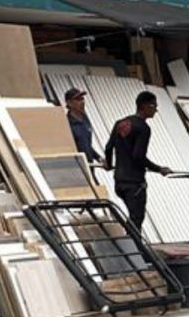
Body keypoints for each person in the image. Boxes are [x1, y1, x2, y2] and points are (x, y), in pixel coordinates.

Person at [104, 91, 172, 233]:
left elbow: (108, 147)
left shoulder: (120, 123)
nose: (156, 109)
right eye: (154, 105)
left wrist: (109, 165)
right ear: (145, 106)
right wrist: (159, 169)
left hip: (119, 181)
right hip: (134, 183)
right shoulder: (143, 128)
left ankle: (132, 249)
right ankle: (134, 251)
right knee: (136, 219)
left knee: (133, 218)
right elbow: (138, 157)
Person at [64, 88, 103, 165]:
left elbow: (86, 145)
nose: (82, 102)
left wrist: (99, 158)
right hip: (77, 167)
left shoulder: (85, 120)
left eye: (82, 99)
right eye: (78, 99)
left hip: (89, 165)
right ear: (69, 103)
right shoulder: (66, 124)